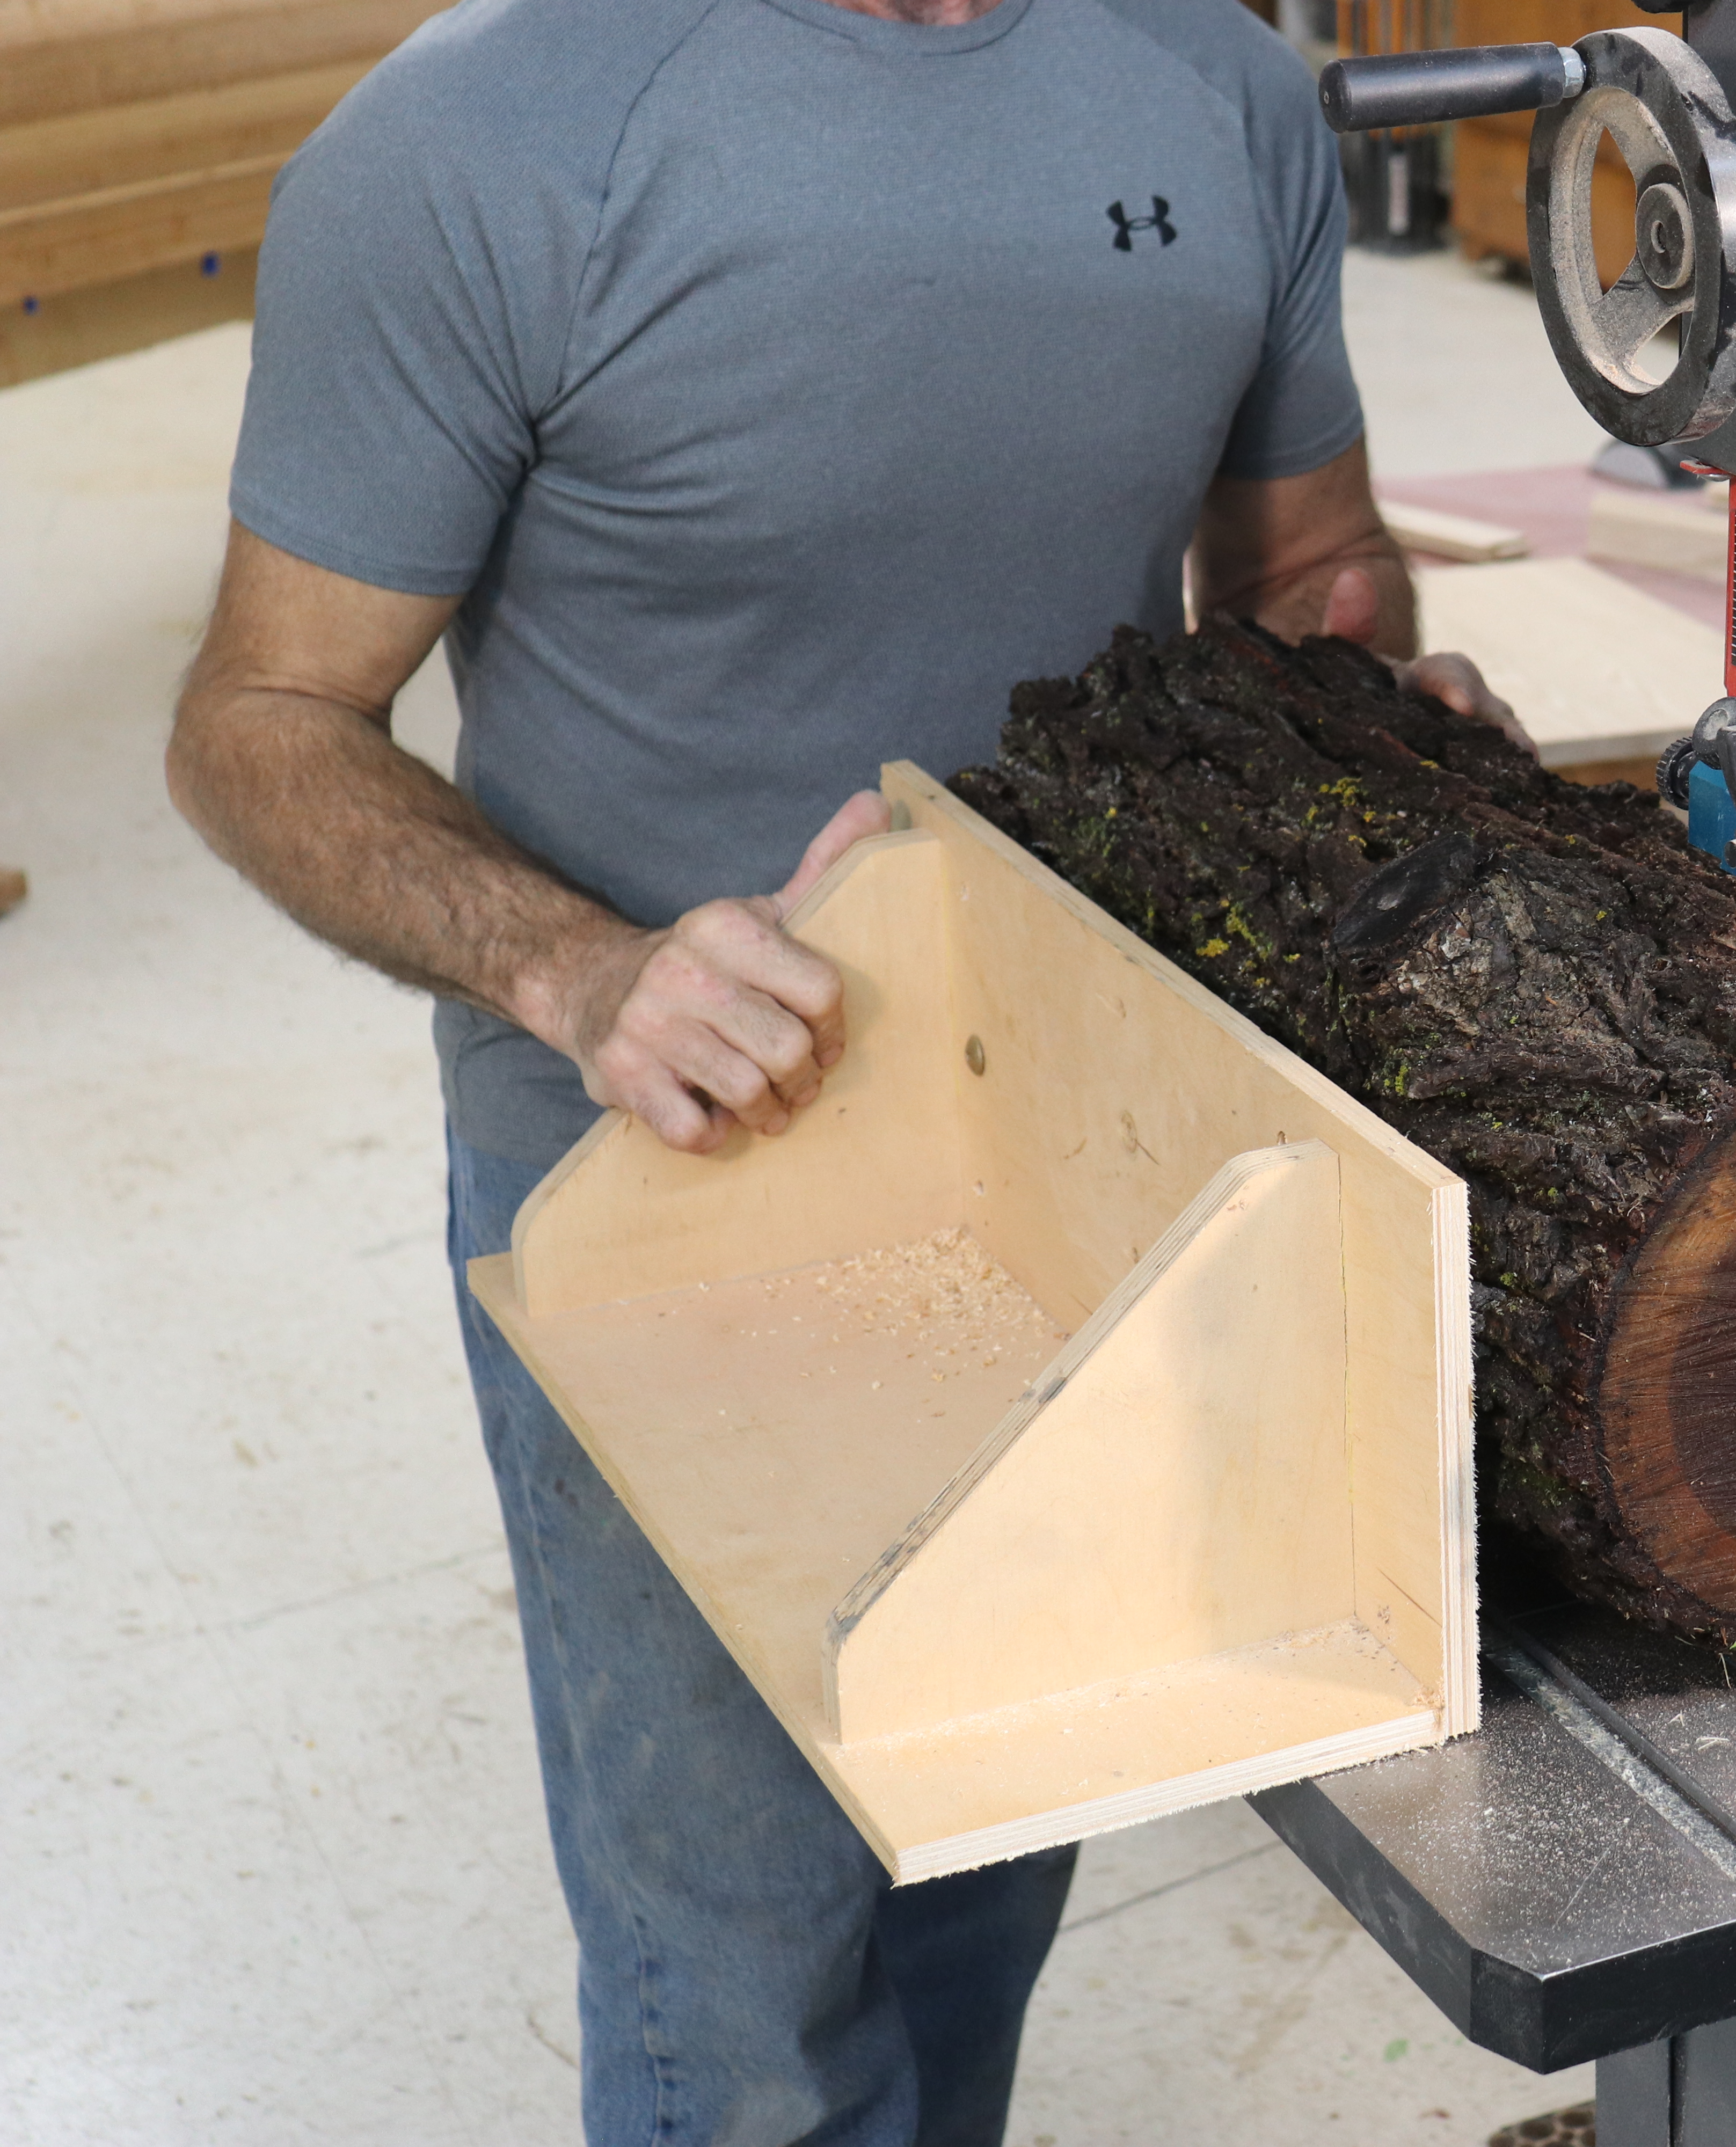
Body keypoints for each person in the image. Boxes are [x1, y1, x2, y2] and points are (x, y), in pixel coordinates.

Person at [163, 0, 1507, 2136]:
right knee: (747, 1985)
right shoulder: (480, 146)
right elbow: (258, 717)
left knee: (982, 1854)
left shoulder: (1216, 80)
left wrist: (1375, 700)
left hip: (1085, 1128)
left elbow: (1297, 579)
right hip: (671, 1170)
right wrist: (585, 973)